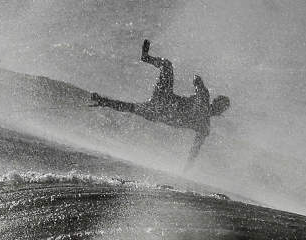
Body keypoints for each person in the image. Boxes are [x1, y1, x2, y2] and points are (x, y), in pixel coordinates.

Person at [90, 39, 231, 162]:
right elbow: (194, 152)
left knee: (166, 66)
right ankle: (102, 101)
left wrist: (200, 86)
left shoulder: (204, 102)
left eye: (218, 104)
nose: (216, 106)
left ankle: (145, 59)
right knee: (132, 107)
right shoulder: (204, 125)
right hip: (161, 111)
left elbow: (196, 79)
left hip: (163, 104)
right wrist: (185, 171)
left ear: (216, 104)